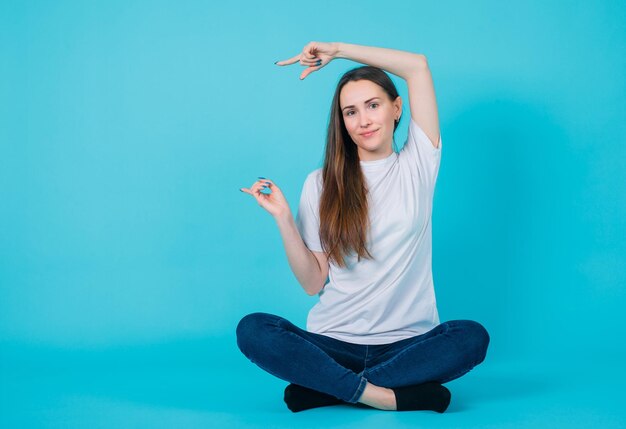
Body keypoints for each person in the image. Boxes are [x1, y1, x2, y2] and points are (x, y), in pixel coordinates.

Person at [237, 41, 490, 413]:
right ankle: (383, 396)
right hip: (334, 343)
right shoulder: (320, 183)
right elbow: (312, 283)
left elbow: (417, 66)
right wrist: (284, 219)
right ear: (342, 122)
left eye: (373, 105)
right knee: (253, 328)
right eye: (350, 112)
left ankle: (329, 387)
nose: (364, 120)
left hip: (408, 344)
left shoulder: (418, 165)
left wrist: (338, 51)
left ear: (396, 109)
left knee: (471, 337)